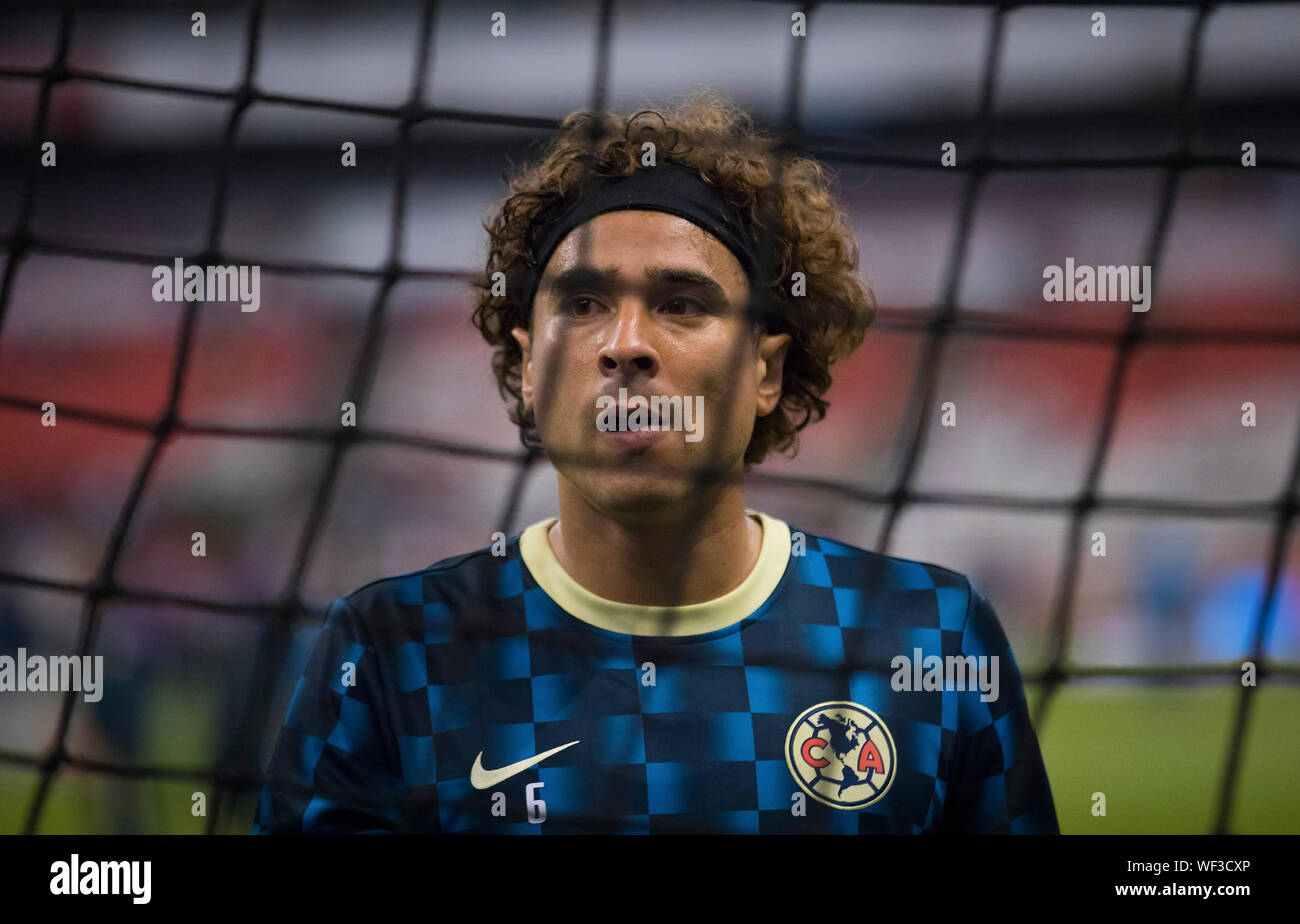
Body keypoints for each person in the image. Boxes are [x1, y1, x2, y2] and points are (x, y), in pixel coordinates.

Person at [252, 91, 1058, 834]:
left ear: (766, 372)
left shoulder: (931, 635)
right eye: (583, 303)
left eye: (682, 304)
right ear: (529, 369)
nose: (626, 345)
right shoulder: (392, 649)